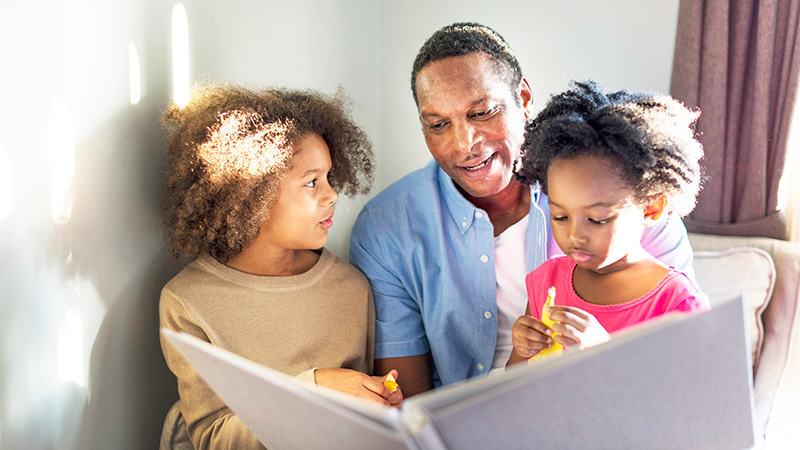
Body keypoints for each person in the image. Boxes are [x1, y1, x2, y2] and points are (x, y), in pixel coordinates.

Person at [349, 22, 696, 397]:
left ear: (524, 98)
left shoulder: (623, 195)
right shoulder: (386, 229)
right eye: (438, 124)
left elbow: (681, 385)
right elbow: (407, 404)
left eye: (482, 113)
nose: (464, 143)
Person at [158, 84, 402, 450]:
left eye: (329, 178)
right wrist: (314, 388)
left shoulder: (350, 287)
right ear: (251, 192)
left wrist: (378, 403)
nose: (332, 194)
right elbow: (213, 438)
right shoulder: (187, 301)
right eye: (311, 182)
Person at [506, 80, 710, 366]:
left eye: (597, 219)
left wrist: (606, 354)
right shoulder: (546, 281)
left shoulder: (677, 302)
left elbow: (687, 402)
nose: (575, 234)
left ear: (650, 208)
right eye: (560, 216)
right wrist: (523, 350)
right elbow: (514, 390)